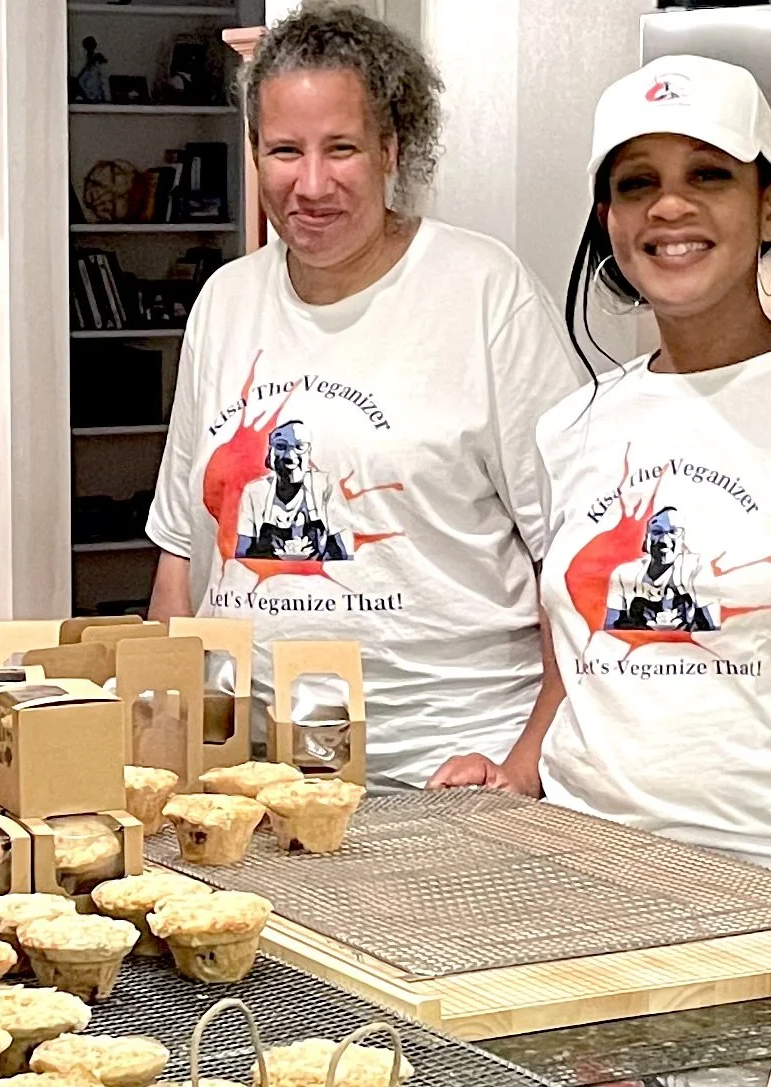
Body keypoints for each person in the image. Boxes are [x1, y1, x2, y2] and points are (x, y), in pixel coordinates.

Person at [431, 54, 771, 884]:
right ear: (610, 221)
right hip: (576, 876)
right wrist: (517, 772)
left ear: (767, 210)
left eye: (709, 174)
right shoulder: (571, 427)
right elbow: (577, 673)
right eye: (636, 182)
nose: (670, 205)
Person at [144, 3, 580, 789]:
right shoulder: (225, 301)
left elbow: (575, 565)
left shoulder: (484, 292)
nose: (310, 185)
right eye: (284, 150)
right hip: (252, 775)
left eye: (340, 148)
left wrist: (524, 768)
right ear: (253, 153)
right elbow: (182, 558)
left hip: (444, 774)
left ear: (391, 149)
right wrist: (159, 750)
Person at [233, 420, 352, 561]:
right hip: (267, 580)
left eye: (299, 447)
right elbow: (242, 555)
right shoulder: (255, 492)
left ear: (309, 453)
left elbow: (344, 553)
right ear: (270, 453)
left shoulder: (325, 486)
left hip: (318, 579)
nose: (290, 456)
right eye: (281, 446)